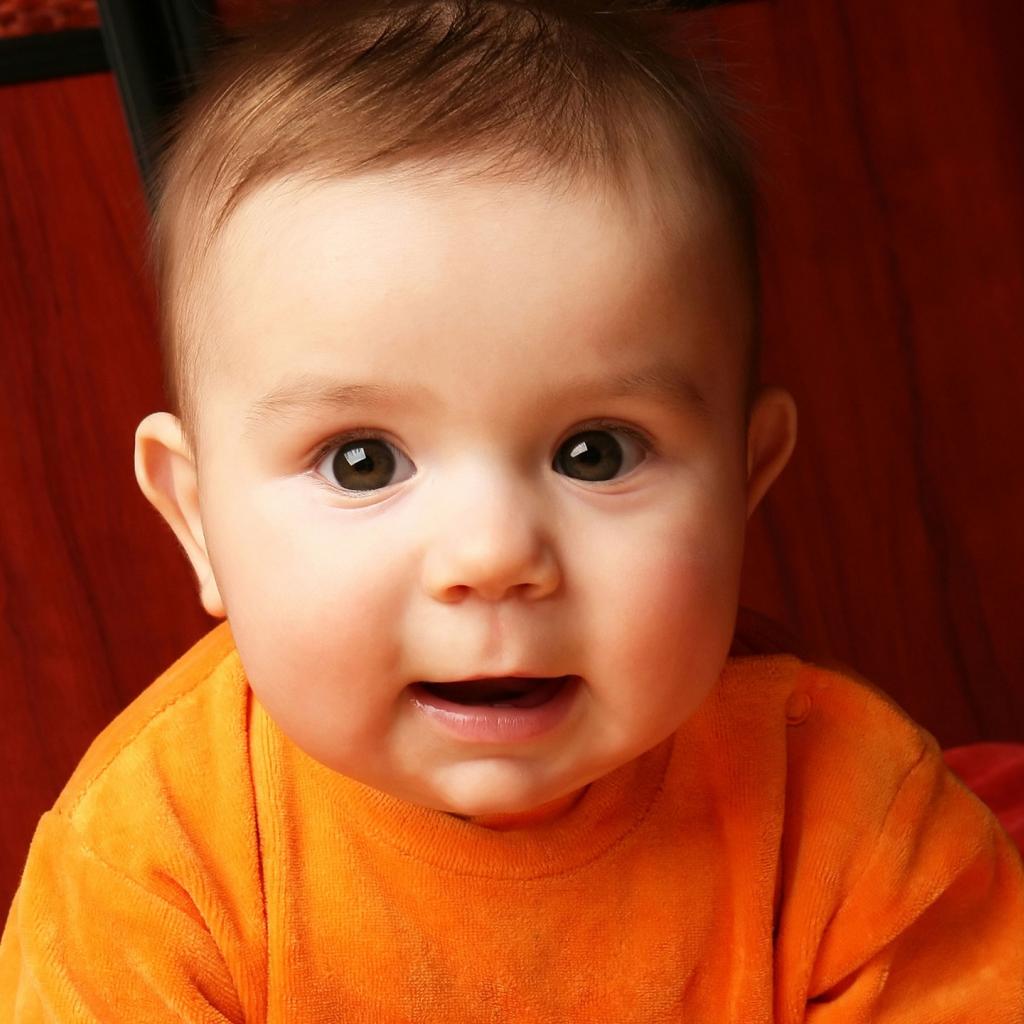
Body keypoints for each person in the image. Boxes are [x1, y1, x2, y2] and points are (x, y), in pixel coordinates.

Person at [2, 0, 1022, 1018]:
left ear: (743, 480)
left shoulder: (851, 814)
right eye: (362, 462)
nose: (491, 554)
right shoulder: (150, 866)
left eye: (594, 453)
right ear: (197, 519)